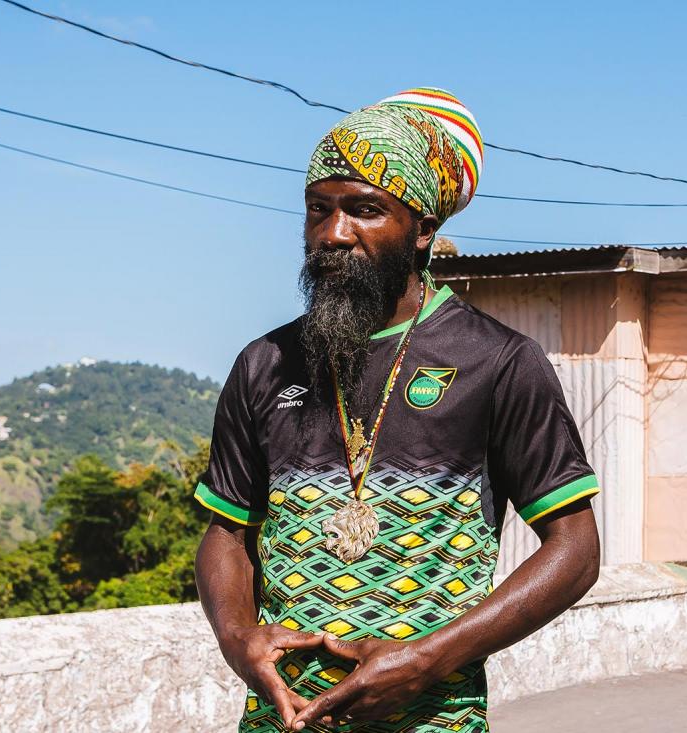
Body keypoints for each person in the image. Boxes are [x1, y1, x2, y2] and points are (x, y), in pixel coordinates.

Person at [193, 88, 601, 733]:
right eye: (318, 210)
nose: (333, 233)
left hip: (431, 717)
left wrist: (429, 660)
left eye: (364, 210)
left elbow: (575, 550)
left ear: (422, 231)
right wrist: (238, 637)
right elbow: (226, 531)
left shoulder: (497, 361)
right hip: (284, 718)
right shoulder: (265, 363)